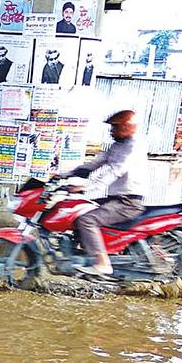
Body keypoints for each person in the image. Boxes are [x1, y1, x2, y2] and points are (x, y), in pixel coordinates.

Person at [61, 109, 151, 277]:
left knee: (87, 220)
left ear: (126, 127)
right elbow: (97, 163)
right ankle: (83, 251)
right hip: (116, 199)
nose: (111, 131)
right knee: (77, 209)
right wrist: (66, 175)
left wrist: (87, 187)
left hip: (128, 203)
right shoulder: (117, 146)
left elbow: (115, 170)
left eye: (115, 127)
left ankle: (102, 264)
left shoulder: (134, 147)